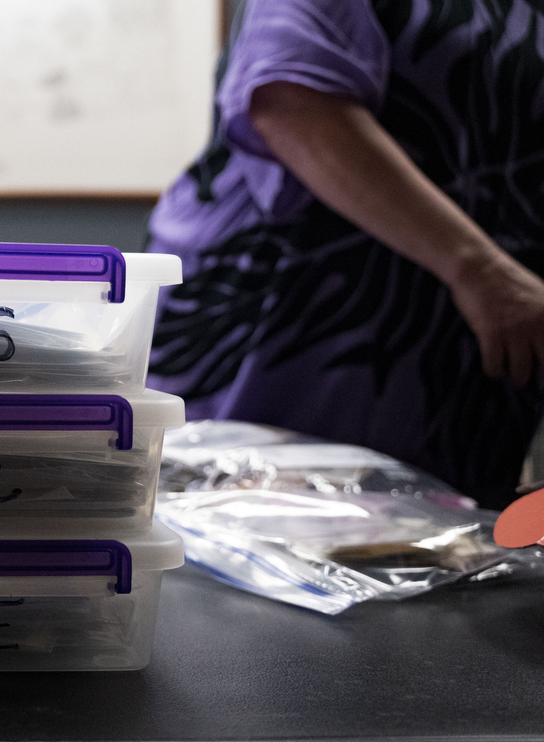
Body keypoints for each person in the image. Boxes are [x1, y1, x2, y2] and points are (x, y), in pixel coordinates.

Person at [145, 0, 544, 508]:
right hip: (297, 328)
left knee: (442, 562)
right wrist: (487, 275)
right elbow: (291, 102)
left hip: (462, 377)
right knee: (252, 545)